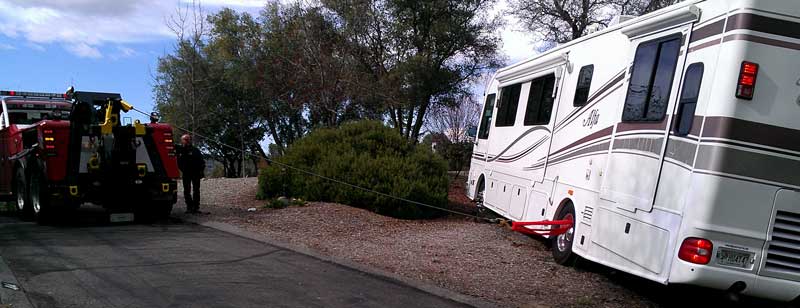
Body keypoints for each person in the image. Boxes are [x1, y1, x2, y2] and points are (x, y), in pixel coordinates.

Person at [177, 134, 205, 214]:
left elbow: (202, 162)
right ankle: (189, 207)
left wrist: (201, 172)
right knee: (187, 191)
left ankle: (196, 208)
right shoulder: (180, 151)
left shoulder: (195, 150)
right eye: (185, 139)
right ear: (182, 141)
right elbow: (178, 162)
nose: (186, 141)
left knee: (196, 190)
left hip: (195, 173)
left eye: (188, 139)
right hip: (186, 173)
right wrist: (182, 169)